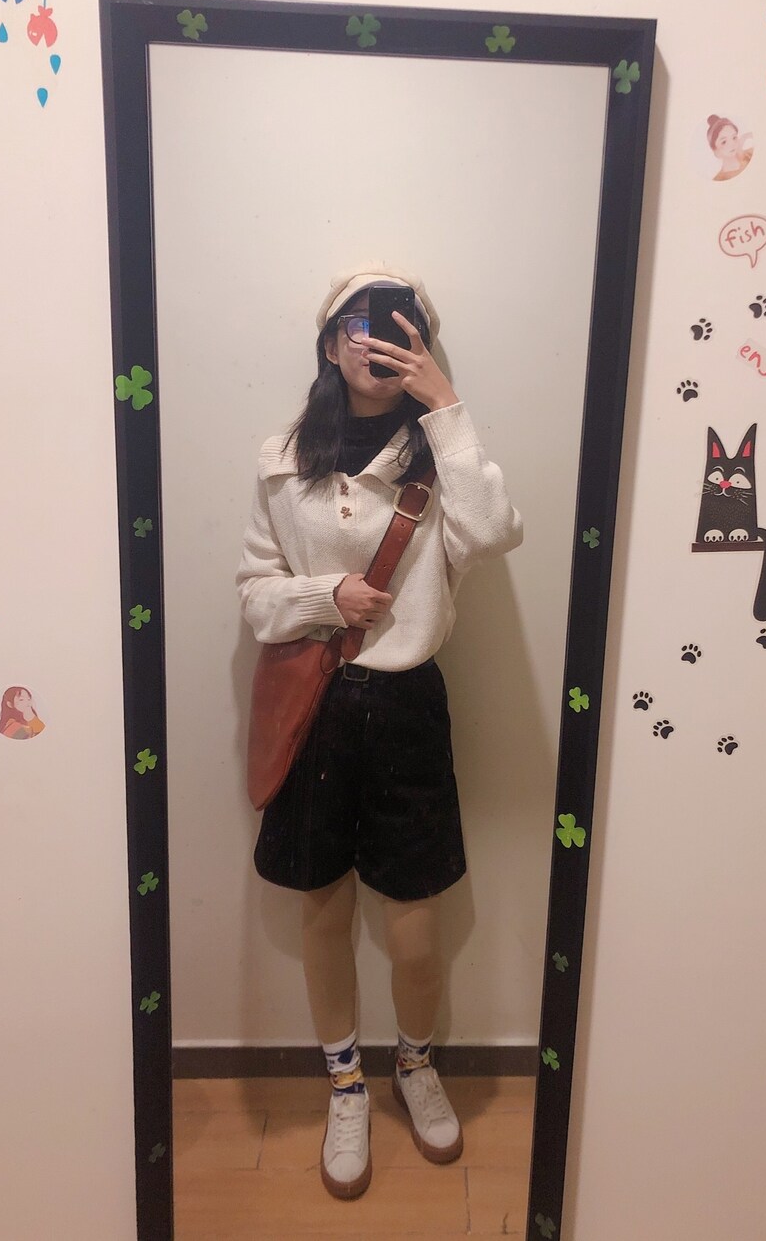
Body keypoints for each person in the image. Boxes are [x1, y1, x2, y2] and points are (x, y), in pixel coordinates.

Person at [236, 263, 523, 1200]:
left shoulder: (441, 453)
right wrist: (327, 596)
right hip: (317, 704)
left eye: (402, 324)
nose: (379, 338)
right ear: (330, 344)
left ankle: (415, 1062)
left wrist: (447, 407)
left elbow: (496, 533)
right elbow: (254, 593)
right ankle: (346, 1082)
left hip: (406, 706)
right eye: (360, 322)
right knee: (322, 906)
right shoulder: (284, 458)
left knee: (415, 929)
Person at [707, 114, 754, 181]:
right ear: (716, 151)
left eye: (734, 137)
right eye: (724, 142)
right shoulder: (720, 179)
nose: (732, 144)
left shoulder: (750, 154)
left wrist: (745, 137)